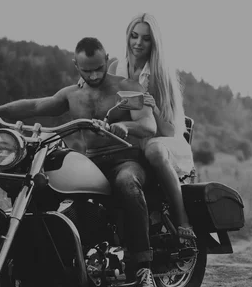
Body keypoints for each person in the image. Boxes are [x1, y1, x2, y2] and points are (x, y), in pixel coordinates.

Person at [0, 37, 160, 287]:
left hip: (124, 161)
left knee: (126, 184)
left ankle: (143, 268)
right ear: (75, 65)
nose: (93, 76)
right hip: (88, 164)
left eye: (98, 68)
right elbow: (35, 106)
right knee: (40, 195)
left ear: (106, 59)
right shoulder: (72, 95)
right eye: (86, 70)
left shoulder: (125, 89)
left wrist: (124, 126)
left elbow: (148, 124)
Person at [82, 13, 197, 245]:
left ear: (154, 42)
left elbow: (168, 130)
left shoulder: (159, 75)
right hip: (129, 139)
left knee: (153, 150)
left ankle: (182, 218)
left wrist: (152, 108)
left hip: (162, 139)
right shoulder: (116, 66)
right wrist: (86, 83)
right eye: (134, 36)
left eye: (145, 38)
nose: (138, 43)